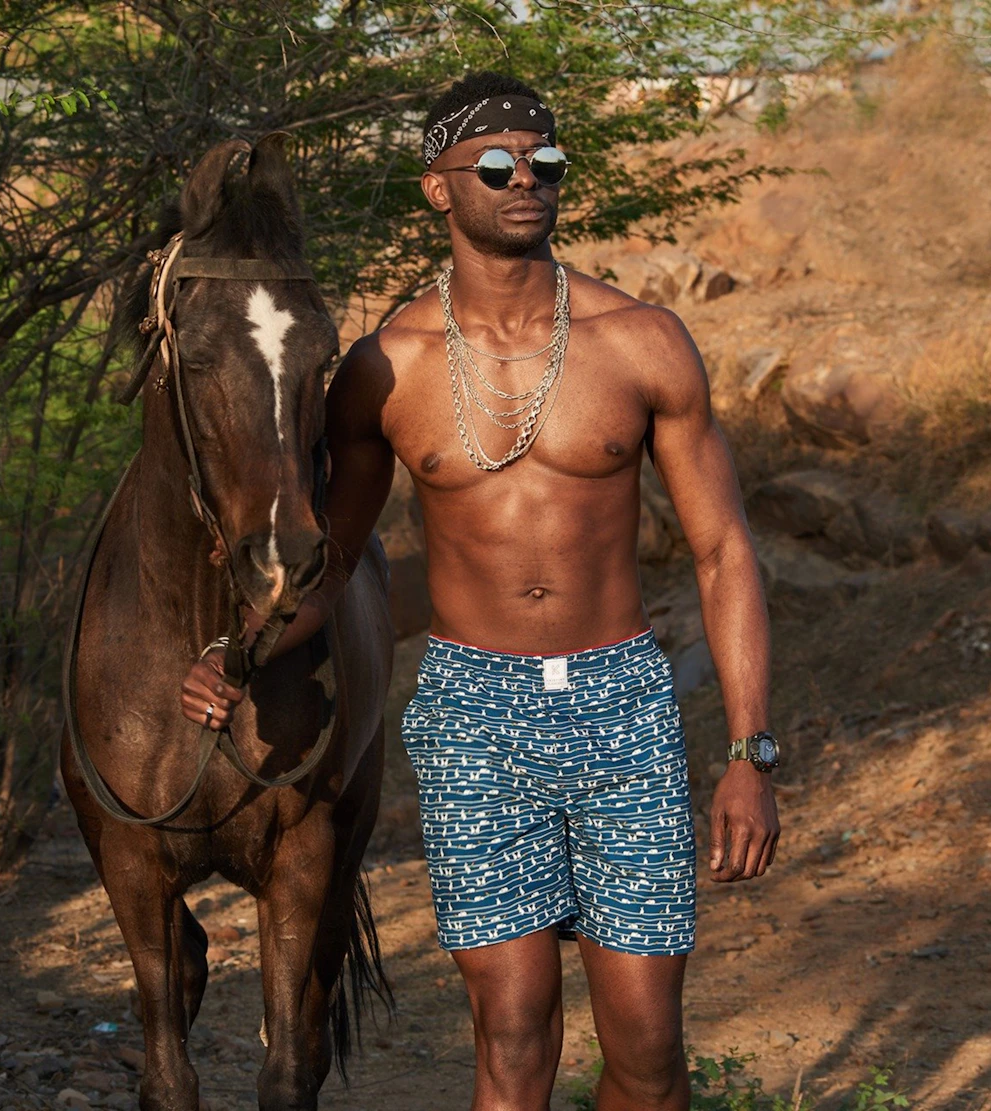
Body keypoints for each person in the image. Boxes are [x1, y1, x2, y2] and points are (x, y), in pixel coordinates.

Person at [180, 71, 780, 1111]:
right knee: (508, 1038)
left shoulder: (641, 342)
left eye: (544, 164)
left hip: (622, 704)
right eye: (496, 165)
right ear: (438, 189)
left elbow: (723, 551)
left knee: (646, 1055)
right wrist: (239, 652)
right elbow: (335, 561)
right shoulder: (385, 368)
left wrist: (747, 752)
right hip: (472, 712)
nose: (526, 181)